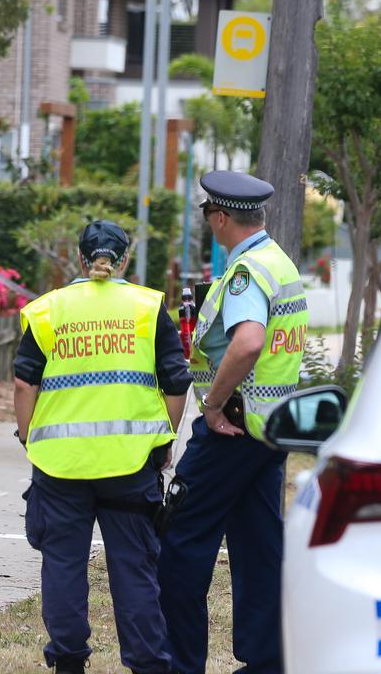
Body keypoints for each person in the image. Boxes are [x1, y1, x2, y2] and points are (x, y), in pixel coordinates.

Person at [13, 220, 191, 674]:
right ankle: (148, 663)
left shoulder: (49, 309)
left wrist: (27, 434)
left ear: (79, 257)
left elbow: (24, 381)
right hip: (130, 465)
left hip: (60, 466)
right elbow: (176, 382)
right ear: (124, 259)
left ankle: (69, 660)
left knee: (63, 567)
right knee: (134, 570)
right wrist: (165, 439)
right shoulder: (148, 307)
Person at [158, 171, 307, 674]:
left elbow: (248, 342)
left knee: (180, 540)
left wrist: (215, 404)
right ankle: (268, 661)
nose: (207, 222)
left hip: (233, 428)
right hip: (270, 429)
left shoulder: (246, 272)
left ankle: (180, 664)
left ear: (220, 218)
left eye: (207, 214)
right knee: (259, 544)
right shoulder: (278, 261)